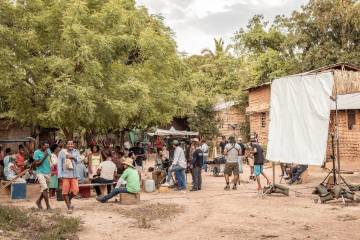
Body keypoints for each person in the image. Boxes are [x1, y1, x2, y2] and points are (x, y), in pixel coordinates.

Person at [58, 141, 81, 213]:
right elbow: (59, 164)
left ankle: (69, 200)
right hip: (65, 175)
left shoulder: (76, 151)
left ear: (73, 145)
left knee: (75, 190)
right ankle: (69, 207)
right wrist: (60, 175)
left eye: (71, 144)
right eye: (69, 144)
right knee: (65, 191)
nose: (70, 145)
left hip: (74, 174)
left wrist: (73, 157)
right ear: (66, 145)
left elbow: (79, 161)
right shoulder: (62, 152)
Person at [33, 142, 52, 210]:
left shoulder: (48, 151)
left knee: (45, 189)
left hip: (48, 172)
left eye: (48, 147)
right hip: (40, 172)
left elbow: (50, 160)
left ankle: (38, 201)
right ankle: (48, 206)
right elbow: (37, 164)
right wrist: (44, 156)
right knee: (45, 188)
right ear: (41, 145)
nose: (47, 148)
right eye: (45, 147)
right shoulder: (36, 152)